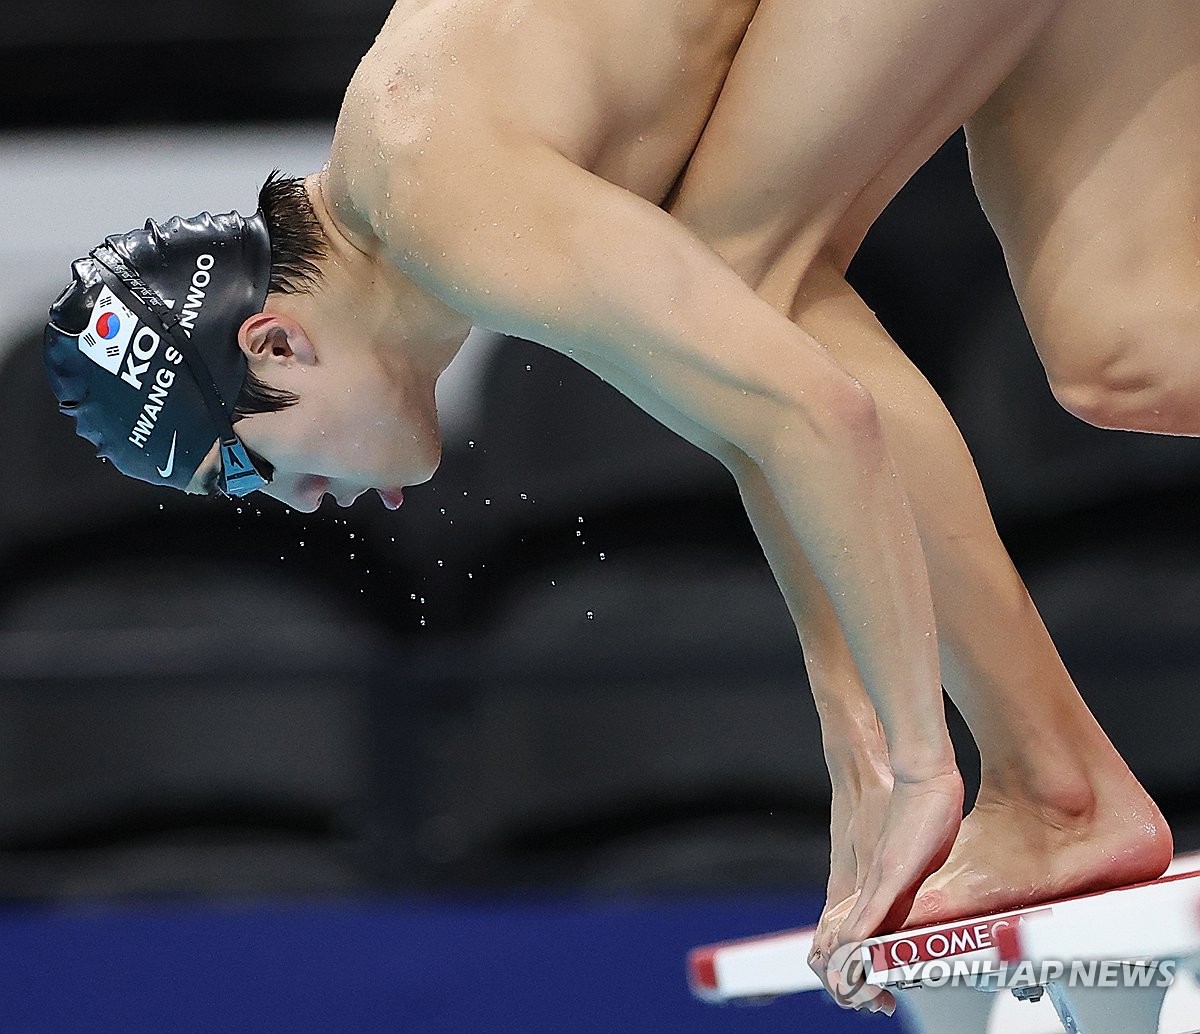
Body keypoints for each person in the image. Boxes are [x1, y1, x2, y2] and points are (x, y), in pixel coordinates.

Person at [43, 0, 1189, 1013]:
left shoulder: (439, 196)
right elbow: (761, 432)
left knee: (753, 277)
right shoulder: (448, 191)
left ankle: (1052, 783)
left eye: (247, 472)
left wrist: (925, 772)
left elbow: (814, 413)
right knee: (1130, 352)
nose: (304, 505)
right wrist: (857, 732)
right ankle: (1055, 783)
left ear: (276, 343)